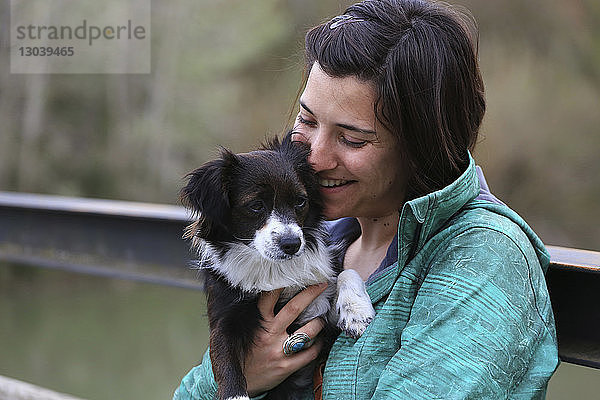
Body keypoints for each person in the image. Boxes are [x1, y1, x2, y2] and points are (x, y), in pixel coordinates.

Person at [173, 0, 559, 398]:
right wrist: (242, 378)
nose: (314, 159)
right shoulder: (324, 236)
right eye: (306, 120)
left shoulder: (483, 256)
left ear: (421, 147)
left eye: (352, 138)